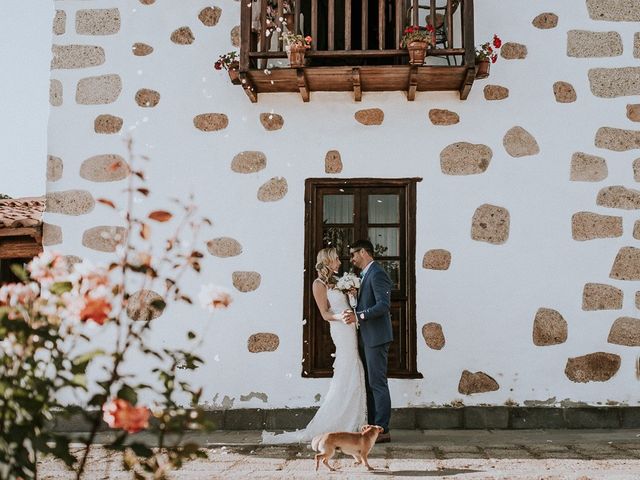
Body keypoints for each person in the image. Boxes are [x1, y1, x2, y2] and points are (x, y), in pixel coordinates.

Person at [261, 247, 367, 444]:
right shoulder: (318, 284)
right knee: (346, 366)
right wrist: (340, 318)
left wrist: (352, 294)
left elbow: (351, 305)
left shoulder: (338, 282)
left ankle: (355, 418)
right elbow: (325, 314)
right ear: (327, 262)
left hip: (351, 326)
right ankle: (337, 419)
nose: (339, 262)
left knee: (355, 363)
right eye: (335, 259)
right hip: (340, 327)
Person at [343, 239, 393, 443]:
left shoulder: (378, 273)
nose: (352, 259)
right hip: (367, 337)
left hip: (377, 337)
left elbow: (383, 305)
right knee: (371, 384)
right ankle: (373, 425)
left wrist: (359, 316)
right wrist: (355, 298)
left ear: (363, 252)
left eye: (354, 254)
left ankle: (383, 429)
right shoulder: (366, 275)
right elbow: (368, 302)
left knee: (378, 383)